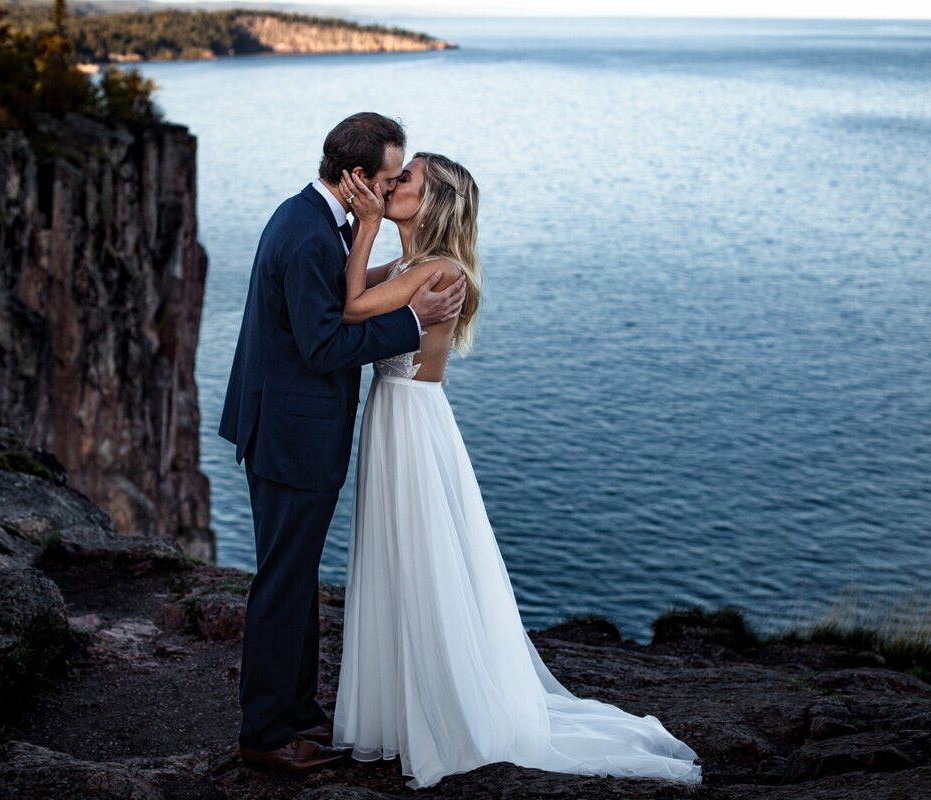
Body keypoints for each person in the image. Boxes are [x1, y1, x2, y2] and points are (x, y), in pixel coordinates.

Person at [330, 153, 703, 789]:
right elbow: (358, 289)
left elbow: (352, 307)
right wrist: (376, 232)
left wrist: (364, 224)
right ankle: (408, 708)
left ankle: (446, 712)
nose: (392, 184)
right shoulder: (417, 264)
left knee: (423, 559)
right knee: (399, 559)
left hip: (411, 422)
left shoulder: (439, 269)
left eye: (406, 179)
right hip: (395, 416)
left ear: (435, 200)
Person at [217, 113, 466, 775]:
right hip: (289, 436)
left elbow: (351, 294)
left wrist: (390, 260)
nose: (388, 192)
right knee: (283, 582)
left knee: (295, 580)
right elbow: (325, 343)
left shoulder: (316, 221)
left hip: (288, 429)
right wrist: (412, 322)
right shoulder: (307, 236)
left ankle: (298, 712)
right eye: (387, 180)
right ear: (357, 176)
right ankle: (266, 733)